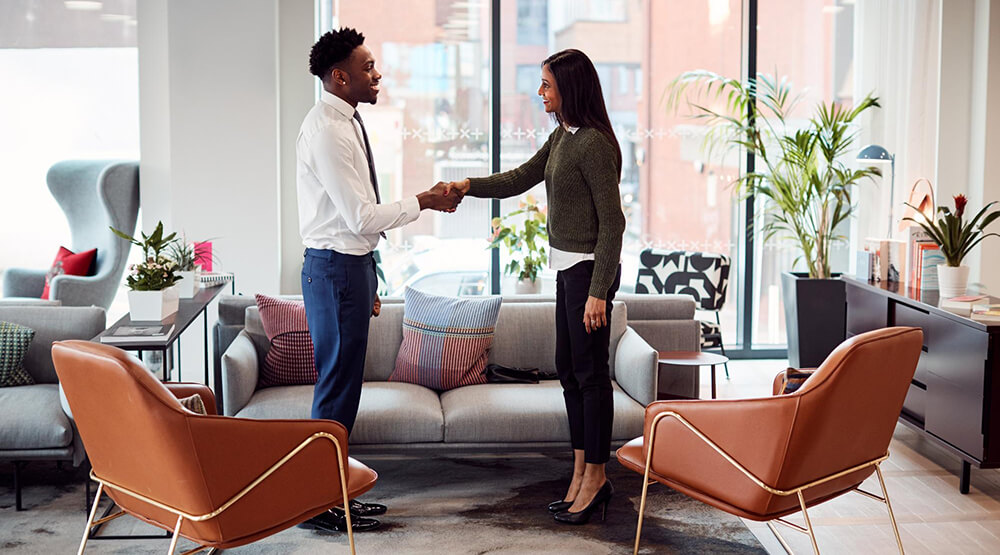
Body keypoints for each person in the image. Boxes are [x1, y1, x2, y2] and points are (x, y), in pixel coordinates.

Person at [445, 49, 626, 525]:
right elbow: (520, 178)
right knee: (568, 370)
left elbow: (613, 224)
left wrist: (599, 292)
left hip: (590, 273)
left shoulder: (593, 144)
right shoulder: (562, 138)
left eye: (546, 84)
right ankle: (580, 470)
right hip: (569, 272)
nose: (540, 92)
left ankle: (597, 477)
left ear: (570, 88)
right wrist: (468, 186)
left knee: (590, 377)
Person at [296, 27, 461, 534]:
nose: (378, 74)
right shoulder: (327, 130)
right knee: (336, 389)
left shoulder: (346, 121)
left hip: (349, 271)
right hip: (335, 270)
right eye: (367, 67)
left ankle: (333, 494)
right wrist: (425, 201)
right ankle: (318, 502)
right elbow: (361, 217)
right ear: (339, 76)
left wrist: (370, 278)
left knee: (343, 391)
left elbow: (358, 226)